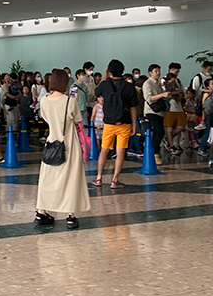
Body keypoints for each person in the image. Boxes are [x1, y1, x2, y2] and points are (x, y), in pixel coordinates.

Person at [35, 69, 90, 229]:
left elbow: (45, 117)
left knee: (47, 178)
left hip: (52, 142)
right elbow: (77, 120)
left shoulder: (44, 101)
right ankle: (70, 216)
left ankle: (41, 211)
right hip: (69, 143)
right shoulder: (70, 101)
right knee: (71, 179)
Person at [93, 60, 138, 188]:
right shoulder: (129, 87)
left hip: (108, 123)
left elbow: (96, 92)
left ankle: (98, 178)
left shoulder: (105, 85)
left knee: (104, 150)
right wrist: (134, 124)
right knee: (120, 151)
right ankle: (115, 180)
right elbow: (133, 107)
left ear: (109, 71)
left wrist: (105, 76)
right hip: (124, 123)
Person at [142, 64, 171, 166]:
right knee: (158, 131)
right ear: (150, 73)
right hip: (151, 111)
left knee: (160, 132)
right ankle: (154, 152)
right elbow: (148, 98)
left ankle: (155, 151)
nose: (158, 73)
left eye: (159, 71)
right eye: (156, 71)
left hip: (159, 111)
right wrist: (162, 95)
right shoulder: (147, 83)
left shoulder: (159, 84)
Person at [162, 64, 185, 155]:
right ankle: (171, 145)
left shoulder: (178, 81)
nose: (177, 73)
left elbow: (182, 91)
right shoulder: (164, 81)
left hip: (179, 107)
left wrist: (181, 97)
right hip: (170, 107)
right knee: (169, 127)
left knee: (181, 126)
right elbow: (165, 92)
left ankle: (167, 139)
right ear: (170, 70)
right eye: (176, 71)